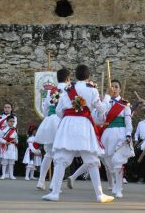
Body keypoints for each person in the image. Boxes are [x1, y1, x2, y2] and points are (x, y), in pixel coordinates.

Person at [42, 64, 115, 203]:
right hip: (84, 125)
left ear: (75, 76)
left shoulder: (67, 89)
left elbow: (58, 111)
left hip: (67, 124)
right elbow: (102, 109)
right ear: (88, 77)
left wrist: (69, 116)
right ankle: (99, 194)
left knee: (61, 159)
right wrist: (107, 95)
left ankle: (55, 193)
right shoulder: (92, 90)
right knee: (92, 160)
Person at [36, 68, 70, 190]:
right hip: (62, 121)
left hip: (50, 120)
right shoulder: (70, 90)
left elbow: (45, 107)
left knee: (49, 153)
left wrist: (47, 118)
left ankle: (41, 181)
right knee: (60, 154)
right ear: (68, 79)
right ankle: (54, 184)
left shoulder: (51, 91)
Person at [99, 79, 134, 198]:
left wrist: (128, 134)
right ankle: (113, 183)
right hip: (107, 134)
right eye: (112, 87)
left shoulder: (125, 104)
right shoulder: (105, 103)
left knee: (118, 162)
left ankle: (119, 188)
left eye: (116, 87)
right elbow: (101, 119)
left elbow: (128, 121)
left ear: (119, 89)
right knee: (109, 163)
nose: (114, 89)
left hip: (120, 134)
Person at [0, 115, 18, 180]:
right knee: (4, 161)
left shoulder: (15, 130)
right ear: (7, 121)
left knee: (11, 162)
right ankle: (3, 175)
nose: (12, 122)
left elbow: (16, 139)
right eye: (10, 121)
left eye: (13, 121)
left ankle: (11, 175)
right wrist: (5, 142)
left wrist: (16, 141)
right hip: (5, 147)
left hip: (12, 147)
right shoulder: (3, 129)